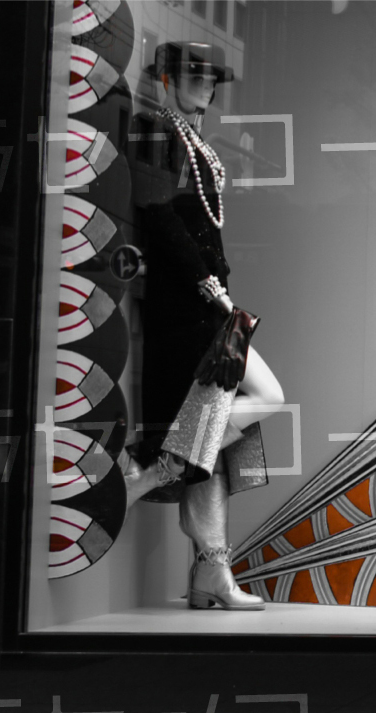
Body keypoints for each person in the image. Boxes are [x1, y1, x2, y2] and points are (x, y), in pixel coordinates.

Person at [120, 41, 283, 611]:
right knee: (261, 396)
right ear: (166, 78)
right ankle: (154, 467)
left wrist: (215, 286)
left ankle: (211, 570)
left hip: (203, 298)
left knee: (211, 424)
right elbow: (158, 215)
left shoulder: (192, 141)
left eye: (212, 78)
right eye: (196, 76)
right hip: (186, 303)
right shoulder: (152, 129)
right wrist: (208, 285)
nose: (208, 85)